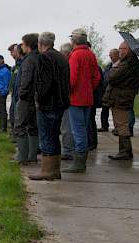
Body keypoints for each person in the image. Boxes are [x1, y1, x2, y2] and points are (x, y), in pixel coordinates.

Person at [29, 32, 70, 180]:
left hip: (49, 104)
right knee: (54, 136)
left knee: (46, 137)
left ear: (40, 44)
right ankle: (55, 169)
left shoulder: (44, 57)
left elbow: (44, 83)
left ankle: (47, 170)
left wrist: (38, 99)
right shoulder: (61, 57)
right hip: (60, 102)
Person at [63, 28, 101, 173]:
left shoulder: (75, 55)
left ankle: (79, 163)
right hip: (88, 98)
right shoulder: (91, 55)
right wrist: (88, 88)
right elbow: (96, 76)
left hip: (76, 99)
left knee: (78, 131)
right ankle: (80, 162)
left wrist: (68, 93)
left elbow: (71, 79)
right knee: (83, 129)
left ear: (74, 41)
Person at [102, 41, 139, 160]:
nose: (119, 51)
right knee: (121, 124)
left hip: (121, 98)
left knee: (122, 125)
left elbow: (111, 77)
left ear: (127, 49)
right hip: (123, 97)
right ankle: (124, 151)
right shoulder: (132, 63)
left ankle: (125, 151)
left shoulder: (126, 64)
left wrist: (115, 65)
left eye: (121, 48)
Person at [14, 33, 40, 165]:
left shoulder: (28, 60)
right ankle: (32, 156)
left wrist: (21, 95)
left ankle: (22, 157)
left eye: (23, 44)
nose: (22, 46)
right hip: (36, 98)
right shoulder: (39, 58)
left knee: (19, 127)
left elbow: (26, 81)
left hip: (26, 99)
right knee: (33, 127)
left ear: (28, 45)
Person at [59, 43, 76, 161]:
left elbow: (70, 81)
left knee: (67, 126)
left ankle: (68, 150)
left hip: (70, 98)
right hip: (81, 98)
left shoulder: (69, 63)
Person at [98, 49, 120, 132]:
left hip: (116, 91)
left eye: (112, 54)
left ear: (117, 55)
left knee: (116, 111)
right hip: (107, 91)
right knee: (105, 109)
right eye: (109, 54)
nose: (110, 56)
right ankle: (104, 126)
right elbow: (104, 77)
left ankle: (117, 128)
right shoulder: (108, 65)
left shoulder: (120, 65)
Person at [8, 44, 23, 138]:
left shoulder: (22, 63)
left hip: (20, 94)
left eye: (12, 51)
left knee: (18, 116)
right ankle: (15, 135)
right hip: (14, 93)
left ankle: (18, 138)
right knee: (12, 114)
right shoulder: (16, 65)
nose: (11, 54)